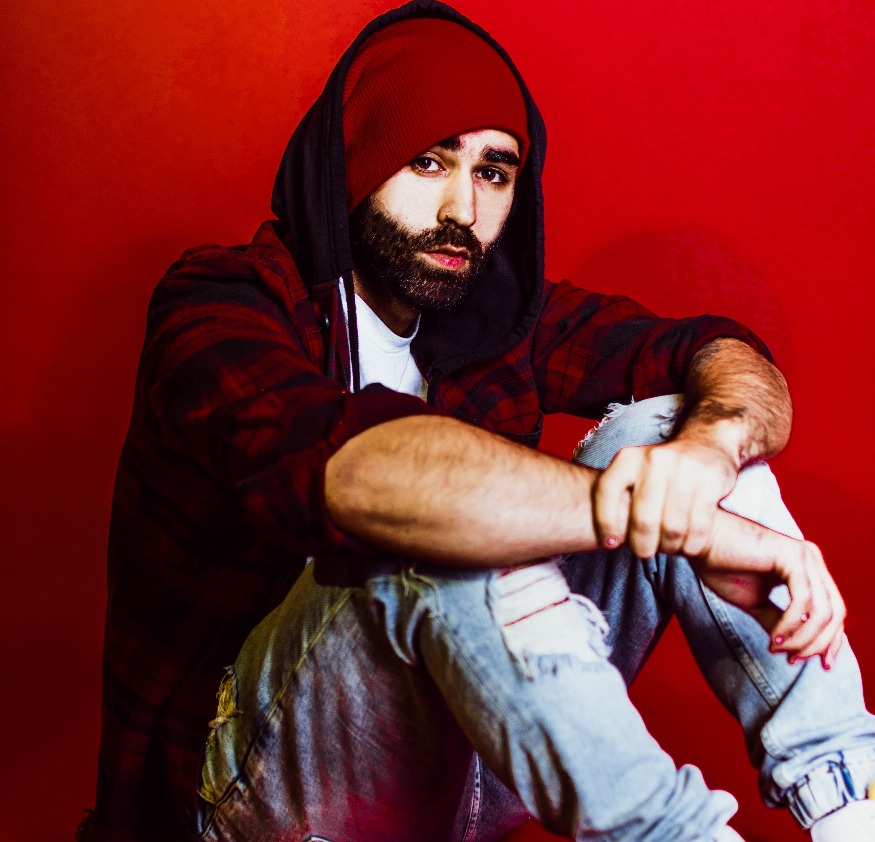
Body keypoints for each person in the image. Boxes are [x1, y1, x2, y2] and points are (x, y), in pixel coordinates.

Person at [82, 1, 875, 840]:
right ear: (356, 159)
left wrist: (708, 454)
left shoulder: (495, 320)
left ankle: (848, 804)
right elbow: (370, 476)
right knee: (438, 517)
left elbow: (727, 358)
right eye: (428, 162)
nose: (462, 207)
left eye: (493, 173)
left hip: (460, 760)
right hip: (243, 792)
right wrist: (692, 530)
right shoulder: (222, 303)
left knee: (674, 422)